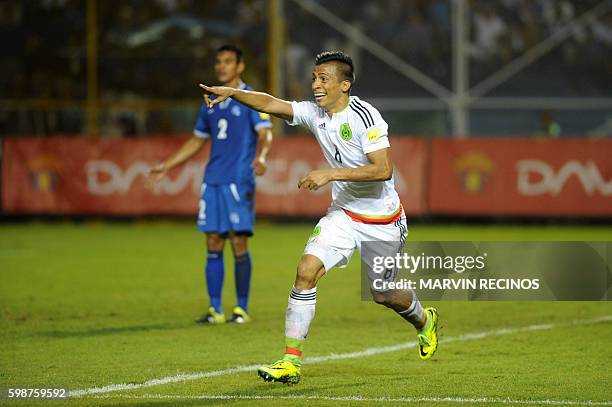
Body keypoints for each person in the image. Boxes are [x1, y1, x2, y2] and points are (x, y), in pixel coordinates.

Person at [198, 51, 438, 384]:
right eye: (314, 78)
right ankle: (290, 362)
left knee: (382, 292)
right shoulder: (314, 114)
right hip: (342, 215)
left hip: (382, 219)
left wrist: (330, 174)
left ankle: (424, 320)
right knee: (306, 270)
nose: (315, 85)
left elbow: (383, 170)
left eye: (323, 78)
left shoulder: (365, 116)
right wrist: (234, 93)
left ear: (345, 84)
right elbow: (271, 103)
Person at [148, 44, 272, 324]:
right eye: (218, 61)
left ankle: (241, 308)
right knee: (213, 240)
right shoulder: (210, 100)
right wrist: (167, 165)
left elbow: (265, 134)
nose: (221, 66)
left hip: (238, 180)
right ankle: (215, 309)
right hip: (212, 179)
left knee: (238, 241)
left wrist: (262, 157)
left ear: (240, 66)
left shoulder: (250, 98)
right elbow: (196, 140)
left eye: (228, 61)